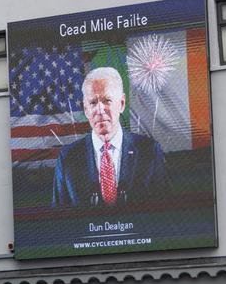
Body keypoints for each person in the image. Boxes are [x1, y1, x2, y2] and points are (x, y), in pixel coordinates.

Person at [51, 66, 167, 208]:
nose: (100, 109)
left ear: (122, 104)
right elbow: (58, 221)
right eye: (93, 103)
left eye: (107, 100)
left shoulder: (149, 152)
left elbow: (163, 216)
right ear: (86, 109)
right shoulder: (67, 158)